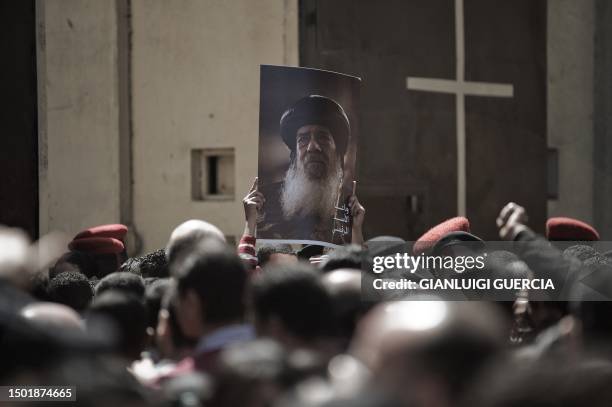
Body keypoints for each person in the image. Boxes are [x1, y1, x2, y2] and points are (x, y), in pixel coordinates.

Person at [257, 95, 364, 244]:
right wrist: (249, 221)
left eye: (322, 137)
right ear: (295, 153)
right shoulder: (265, 201)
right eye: (303, 139)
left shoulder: (351, 206)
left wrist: (357, 229)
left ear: (337, 151)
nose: (312, 147)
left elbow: (358, 260)